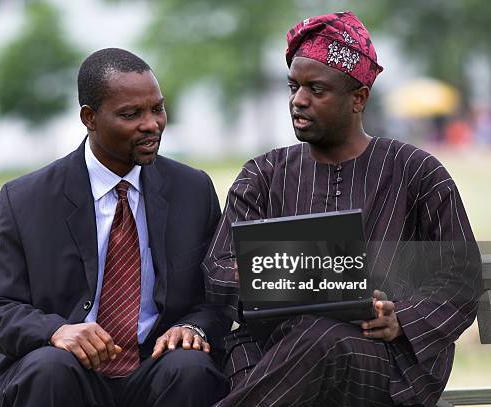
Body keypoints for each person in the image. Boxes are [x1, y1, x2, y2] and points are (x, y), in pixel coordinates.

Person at [203, 11, 482, 407]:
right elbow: (217, 268)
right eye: (294, 86)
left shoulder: (416, 172)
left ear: (358, 99)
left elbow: (461, 278)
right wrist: (280, 280)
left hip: (382, 362)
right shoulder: (263, 174)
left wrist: (399, 317)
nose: (298, 100)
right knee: (296, 339)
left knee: (322, 335)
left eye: (316, 89)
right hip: (271, 352)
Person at [0, 48, 230, 407]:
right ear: (89, 118)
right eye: (131, 114)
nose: (151, 124)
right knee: (49, 367)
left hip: (154, 367)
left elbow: (217, 299)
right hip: (67, 370)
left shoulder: (193, 190)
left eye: (157, 109)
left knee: (191, 368)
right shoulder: (27, 199)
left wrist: (194, 328)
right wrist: (55, 331)